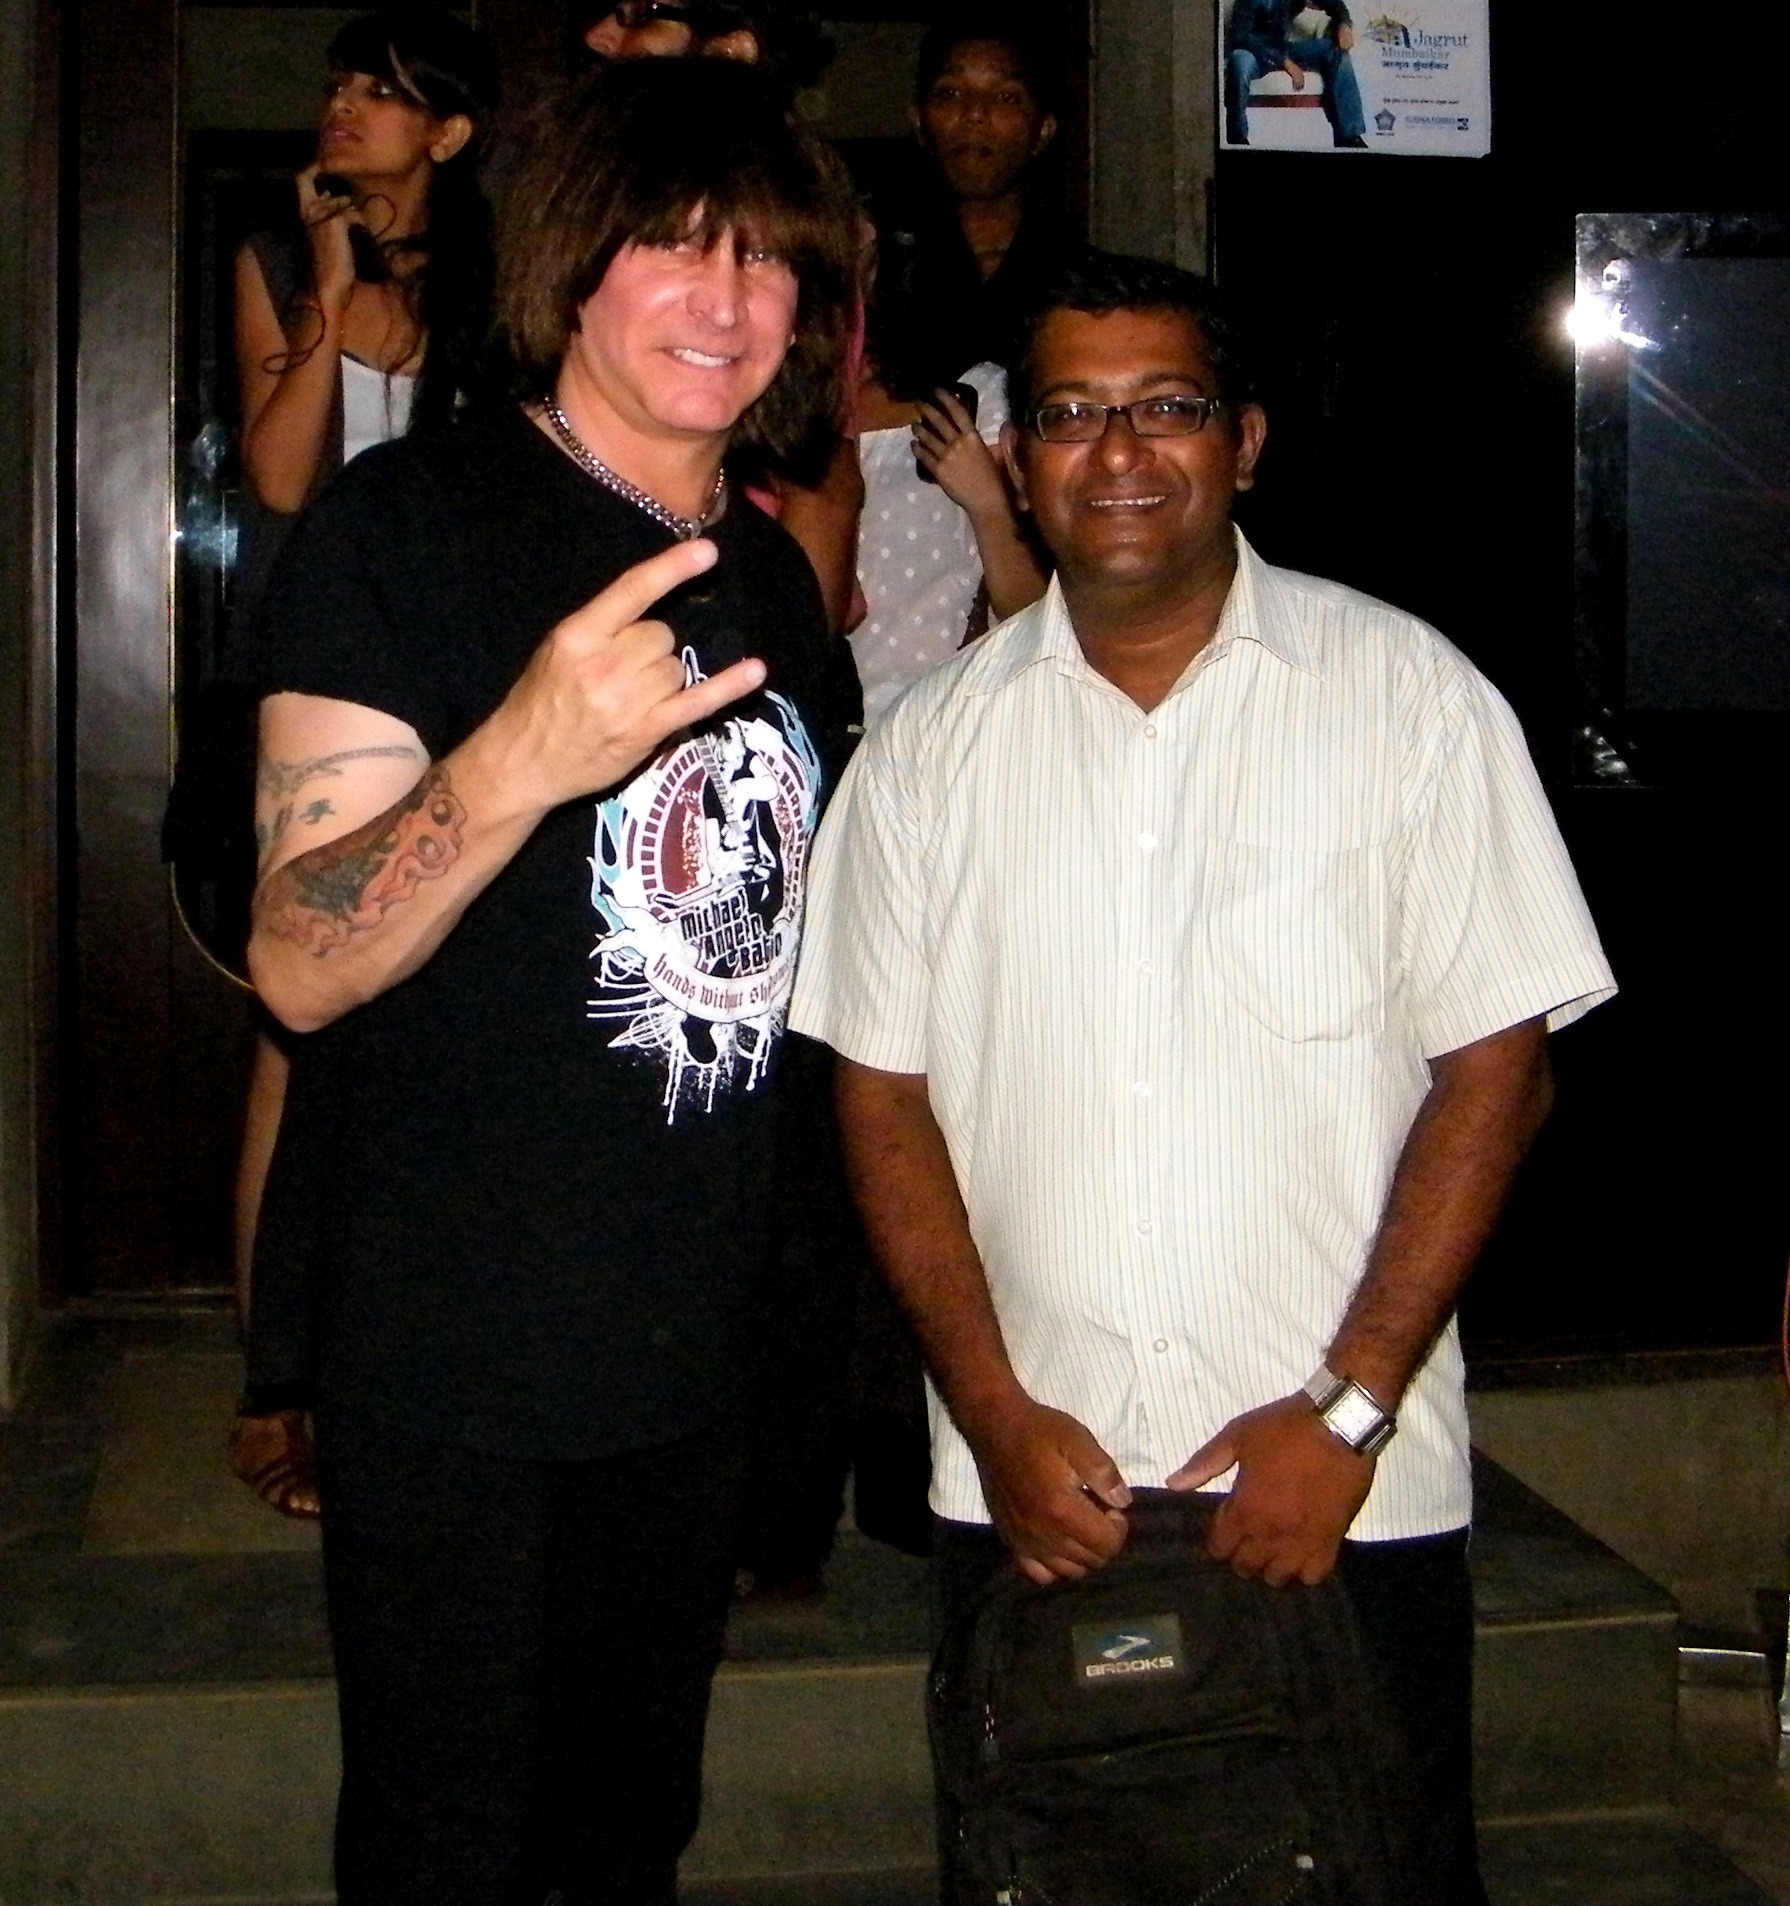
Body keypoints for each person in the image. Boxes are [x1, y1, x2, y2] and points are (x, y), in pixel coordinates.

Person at [789, 251, 1617, 1904]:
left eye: (1163, 407)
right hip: (1039, 1491)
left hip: (1334, 1492)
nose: (1117, 452)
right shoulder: (927, 753)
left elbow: (1498, 1067)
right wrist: (992, 1412)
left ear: (1242, 441)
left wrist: (1349, 1407)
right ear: (1015, 456)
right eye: (1071, 414)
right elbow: (879, 1098)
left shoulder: (1409, 701)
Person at [235, 57, 857, 1901]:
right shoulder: (405, 526)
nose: (726, 299)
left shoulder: (772, 577)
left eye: (766, 260)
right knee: (449, 1838)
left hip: (697, 1331)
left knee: (627, 1824)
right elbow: (296, 960)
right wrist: (518, 753)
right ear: (571, 268)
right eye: (674, 245)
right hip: (461, 1338)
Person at [225, 4, 499, 1521]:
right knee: (294, 1038)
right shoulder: (279, 262)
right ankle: (276, 1384)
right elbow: (278, 475)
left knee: (437, 1039)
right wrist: (328, 293)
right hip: (318, 690)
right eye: (336, 84)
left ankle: (412, 1365)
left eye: (379, 92)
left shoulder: (498, 281)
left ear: (446, 133)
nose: (342, 108)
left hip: (462, 694)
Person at [868, 14, 1072, 399]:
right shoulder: (873, 267)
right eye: (950, 94)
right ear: (919, 121)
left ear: (1043, 129)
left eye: (1006, 97)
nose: (975, 114)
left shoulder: (1075, 280)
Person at [1224, 0, 1367, 149]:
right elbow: (1240, 37)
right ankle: (1237, 141)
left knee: (1335, 51)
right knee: (1239, 60)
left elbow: (1334, 3)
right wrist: (1284, 61)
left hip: (1284, 48)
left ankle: (1349, 137)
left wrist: (1344, 23)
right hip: (1254, 51)